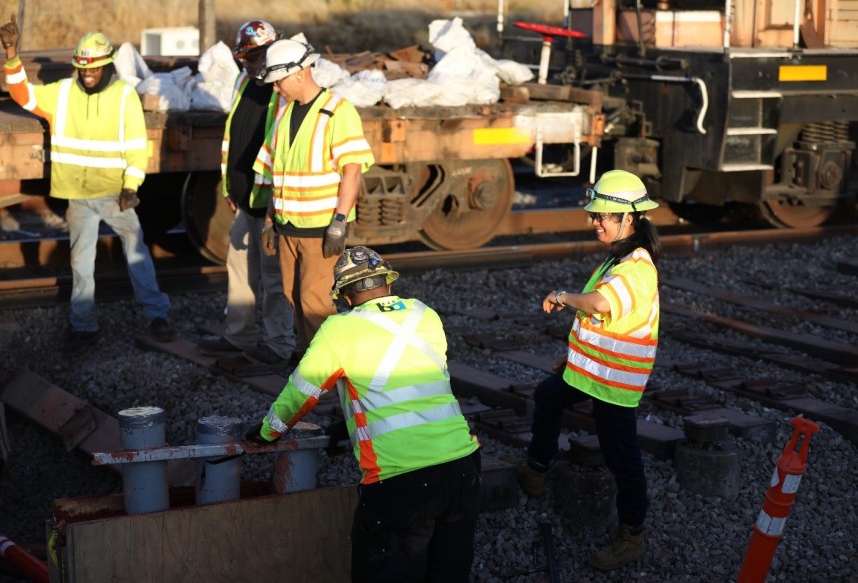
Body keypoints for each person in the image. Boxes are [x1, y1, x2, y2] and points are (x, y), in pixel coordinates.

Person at [247, 246, 481, 582]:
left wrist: (268, 432)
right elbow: (413, 390)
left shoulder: (338, 330)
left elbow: (301, 393)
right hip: (463, 470)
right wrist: (349, 425)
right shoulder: (424, 314)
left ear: (343, 297)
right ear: (387, 282)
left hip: (401, 480)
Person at [0, 15, 174, 348]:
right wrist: (11, 53)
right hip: (77, 196)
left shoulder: (123, 95)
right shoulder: (63, 92)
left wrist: (130, 187)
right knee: (81, 261)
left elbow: (137, 145)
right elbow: (25, 96)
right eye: (83, 70)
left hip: (115, 194)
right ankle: (83, 326)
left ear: (107, 66)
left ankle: (157, 315)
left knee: (136, 252)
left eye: (94, 69)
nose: (88, 75)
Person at [517, 170, 661, 571]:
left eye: (601, 216)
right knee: (547, 396)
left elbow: (599, 305)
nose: (594, 222)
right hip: (592, 370)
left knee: (622, 457)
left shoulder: (637, 267)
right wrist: (573, 358)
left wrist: (562, 296)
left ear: (628, 219)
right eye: (594, 215)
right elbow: (602, 320)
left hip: (614, 382)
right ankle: (536, 470)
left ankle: (631, 534)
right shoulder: (618, 257)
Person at [253, 38, 375, 356]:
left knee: (314, 301)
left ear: (298, 74)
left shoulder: (337, 111)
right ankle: (311, 358)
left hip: (320, 228)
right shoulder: (283, 114)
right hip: (287, 225)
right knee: (294, 297)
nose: (276, 89)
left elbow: (352, 171)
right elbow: (274, 173)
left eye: (278, 81)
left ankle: (329, 365)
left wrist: (338, 224)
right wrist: (269, 221)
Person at [196, 20, 296, 366]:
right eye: (245, 59)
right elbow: (234, 135)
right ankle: (240, 336)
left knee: (272, 276)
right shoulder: (244, 81)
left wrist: (273, 199)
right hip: (244, 198)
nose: (248, 65)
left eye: (253, 58)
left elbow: (281, 148)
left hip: (268, 201)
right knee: (239, 267)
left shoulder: (282, 88)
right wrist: (230, 184)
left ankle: (278, 343)